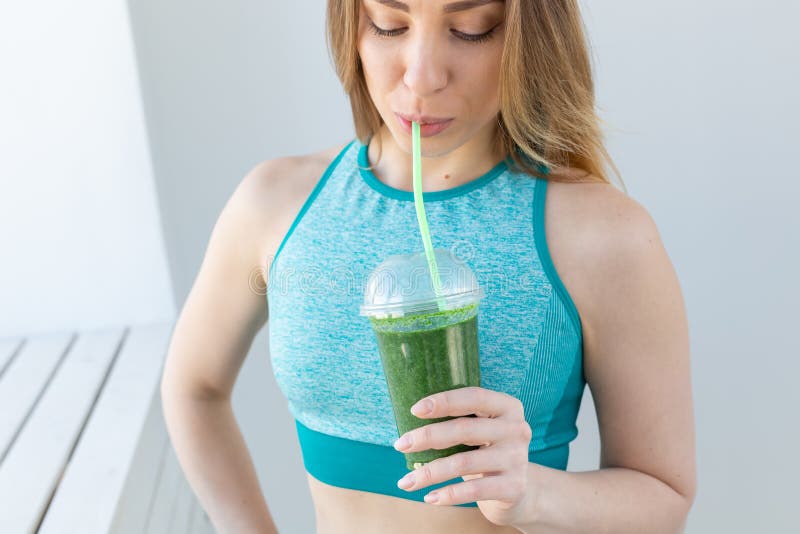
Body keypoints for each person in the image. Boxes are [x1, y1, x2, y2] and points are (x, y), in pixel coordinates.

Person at [160, 0, 697, 532]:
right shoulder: (274, 205)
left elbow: (663, 496)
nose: (421, 77)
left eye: (471, 29)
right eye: (389, 25)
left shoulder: (603, 236)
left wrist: (534, 495)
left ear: (528, 37)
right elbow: (193, 388)